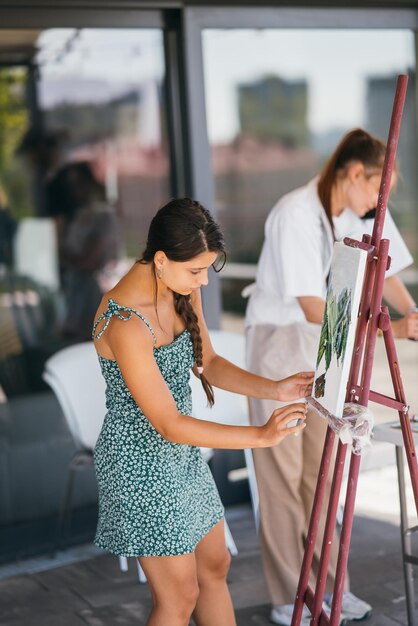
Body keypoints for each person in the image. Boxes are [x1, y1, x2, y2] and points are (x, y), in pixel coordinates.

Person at [91, 197, 313, 626]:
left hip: (181, 454)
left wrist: (275, 388)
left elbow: (208, 362)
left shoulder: (178, 290)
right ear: (160, 260)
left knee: (215, 568)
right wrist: (261, 435)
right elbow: (168, 424)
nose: (203, 282)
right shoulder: (123, 322)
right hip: (138, 463)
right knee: (178, 597)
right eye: (196, 271)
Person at [245, 128, 418, 626]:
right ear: (353, 172)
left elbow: (388, 272)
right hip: (281, 340)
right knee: (282, 475)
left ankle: (330, 585)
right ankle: (287, 594)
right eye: (377, 189)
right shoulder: (295, 212)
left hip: (327, 345)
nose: (379, 200)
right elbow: (310, 305)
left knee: (322, 472)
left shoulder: (360, 212)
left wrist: (412, 315)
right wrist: (390, 326)